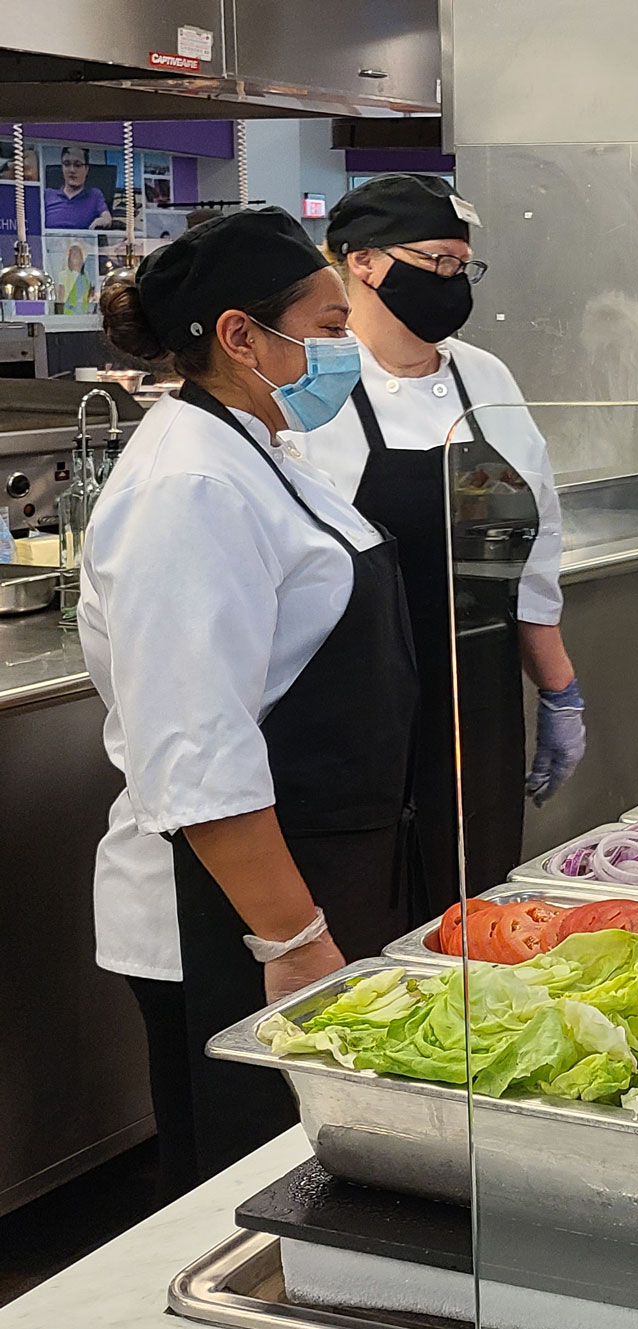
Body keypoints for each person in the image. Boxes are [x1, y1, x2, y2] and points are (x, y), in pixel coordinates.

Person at [83, 208, 418, 1193]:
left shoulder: (255, 446)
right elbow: (199, 752)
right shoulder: (186, 484)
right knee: (254, 1188)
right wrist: (296, 943)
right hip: (234, 913)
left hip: (312, 873)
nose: (343, 349)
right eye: (324, 327)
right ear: (239, 336)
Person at [300, 173, 583, 905]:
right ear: (360, 261)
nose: (454, 284)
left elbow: (537, 540)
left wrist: (557, 689)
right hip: (362, 711)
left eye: (463, 267)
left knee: (474, 907)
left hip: (480, 697)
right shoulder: (311, 385)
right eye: (437, 263)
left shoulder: (484, 375)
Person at [45, 145, 114, 230]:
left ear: (86, 169)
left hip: (82, 243)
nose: (72, 170)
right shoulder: (47, 195)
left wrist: (103, 220)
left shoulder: (94, 195)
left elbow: (107, 218)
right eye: (67, 164)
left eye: (78, 165)